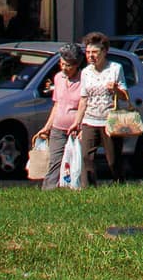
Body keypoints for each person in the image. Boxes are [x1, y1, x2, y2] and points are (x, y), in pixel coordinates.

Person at [78, 31, 130, 182]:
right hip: (89, 120)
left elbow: (125, 96)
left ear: (105, 51)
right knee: (87, 157)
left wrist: (115, 89)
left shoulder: (115, 68)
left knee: (113, 161)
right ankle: (89, 189)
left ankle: (119, 184)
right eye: (87, 52)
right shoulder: (86, 72)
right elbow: (83, 99)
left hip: (109, 120)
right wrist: (77, 122)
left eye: (94, 52)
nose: (90, 56)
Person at [33, 45, 85, 189]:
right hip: (58, 128)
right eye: (61, 64)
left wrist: (79, 125)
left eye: (68, 65)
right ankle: (48, 192)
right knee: (54, 162)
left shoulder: (84, 79)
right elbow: (57, 105)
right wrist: (46, 128)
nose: (64, 68)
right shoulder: (58, 78)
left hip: (76, 129)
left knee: (76, 163)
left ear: (77, 65)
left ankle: (77, 190)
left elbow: (84, 104)